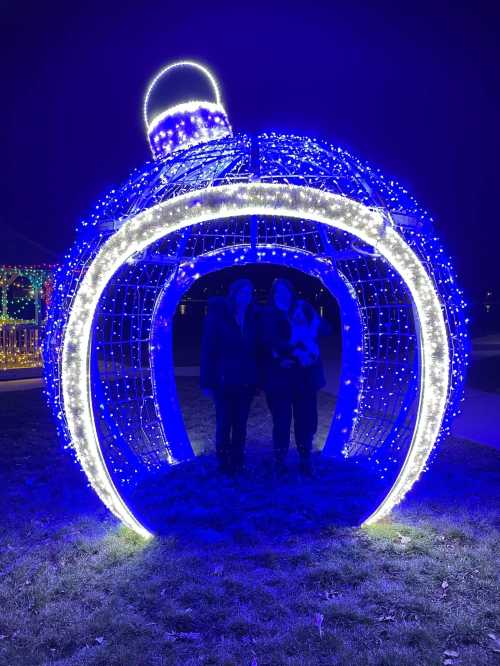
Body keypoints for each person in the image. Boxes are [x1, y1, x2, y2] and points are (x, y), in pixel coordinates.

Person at [258, 279, 328, 476]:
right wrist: (287, 354)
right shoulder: (267, 314)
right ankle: (279, 462)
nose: (283, 293)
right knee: (281, 421)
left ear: (291, 291)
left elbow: (325, 330)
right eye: (278, 290)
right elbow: (266, 341)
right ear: (273, 293)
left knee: (305, 420)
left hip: (305, 377)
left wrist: (312, 315)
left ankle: (305, 460)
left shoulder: (303, 308)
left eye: (286, 289)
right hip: (279, 377)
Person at [200, 278, 258, 475]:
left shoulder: (252, 317)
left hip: (246, 381)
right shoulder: (219, 317)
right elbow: (208, 350)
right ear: (234, 294)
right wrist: (207, 381)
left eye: (249, 293)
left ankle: (238, 461)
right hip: (223, 380)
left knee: (240, 423)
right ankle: (223, 463)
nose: (246, 297)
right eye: (242, 292)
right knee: (224, 422)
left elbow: (257, 349)